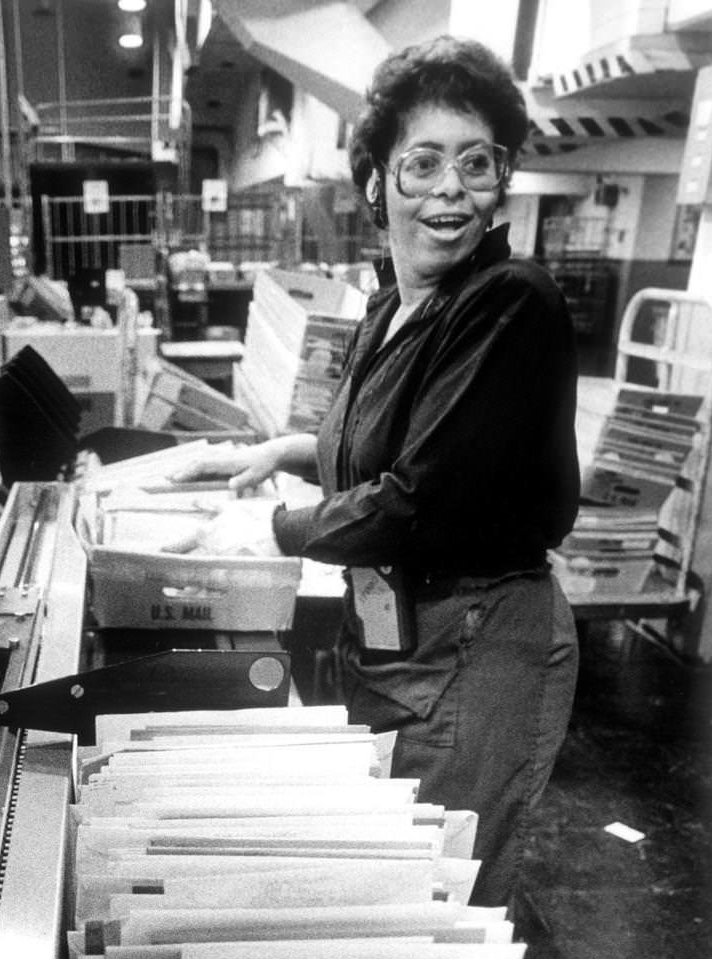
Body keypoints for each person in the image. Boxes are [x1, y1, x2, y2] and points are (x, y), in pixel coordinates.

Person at [181, 35, 581, 909]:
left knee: (436, 902)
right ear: (376, 181)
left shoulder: (510, 302)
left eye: (478, 165)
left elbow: (418, 496)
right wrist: (280, 454)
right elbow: (372, 449)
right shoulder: (394, 306)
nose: (451, 190)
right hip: (397, 641)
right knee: (393, 879)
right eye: (424, 163)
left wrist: (272, 530)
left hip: (477, 643)